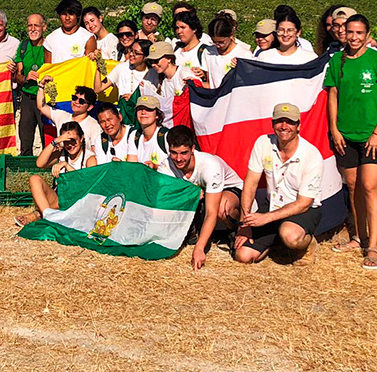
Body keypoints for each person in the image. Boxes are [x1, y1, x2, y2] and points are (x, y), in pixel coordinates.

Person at [324, 13, 377, 268]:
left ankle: (373, 246)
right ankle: (358, 236)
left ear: (367, 35)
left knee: (370, 187)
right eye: (350, 32)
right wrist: (334, 129)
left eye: (359, 33)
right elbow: (333, 95)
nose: (354, 37)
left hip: (372, 135)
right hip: (346, 134)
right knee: (353, 186)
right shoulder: (337, 61)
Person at [234, 103, 323, 265]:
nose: (284, 126)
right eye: (279, 121)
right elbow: (250, 184)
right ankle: (274, 241)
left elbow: (304, 204)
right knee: (243, 256)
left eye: (290, 122)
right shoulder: (263, 143)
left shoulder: (312, 155)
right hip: (273, 206)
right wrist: (244, 224)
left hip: (303, 210)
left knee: (290, 236)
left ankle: (307, 243)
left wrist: (265, 218)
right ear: (272, 124)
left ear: (298, 126)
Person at [164, 125, 242, 269]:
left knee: (221, 208)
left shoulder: (210, 165)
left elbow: (212, 212)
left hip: (230, 193)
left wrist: (199, 249)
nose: (179, 158)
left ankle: (234, 230)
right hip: (203, 198)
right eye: (174, 153)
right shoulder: (167, 165)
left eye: (184, 153)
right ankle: (193, 229)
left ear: (193, 149)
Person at [15, 123, 94, 227]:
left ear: (81, 138)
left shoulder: (90, 158)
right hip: (59, 199)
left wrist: (67, 166)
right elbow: (40, 163)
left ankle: (39, 214)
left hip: (78, 201)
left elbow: (88, 184)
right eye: (66, 142)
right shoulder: (61, 154)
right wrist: (55, 141)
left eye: (73, 140)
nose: (70, 145)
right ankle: (48, 217)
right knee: (34, 179)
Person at [35, 77, 101, 151]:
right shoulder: (62, 116)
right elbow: (41, 106)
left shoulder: (94, 125)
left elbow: (96, 150)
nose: (76, 102)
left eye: (81, 101)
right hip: (62, 160)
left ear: (89, 107)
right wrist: (41, 86)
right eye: (74, 98)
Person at [14, 14, 47, 156]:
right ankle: (24, 170)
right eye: (29, 25)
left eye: (36, 25)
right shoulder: (23, 46)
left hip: (45, 98)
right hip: (27, 96)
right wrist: (25, 78)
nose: (32, 29)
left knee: (47, 135)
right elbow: (17, 76)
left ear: (44, 28)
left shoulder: (49, 47)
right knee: (25, 136)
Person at [200, 14, 253, 88]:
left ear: (231, 35)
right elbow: (210, 83)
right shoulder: (208, 52)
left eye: (221, 42)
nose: (218, 45)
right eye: (214, 42)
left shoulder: (244, 54)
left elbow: (249, 81)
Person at [43, 0, 96, 64]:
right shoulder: (50, 39)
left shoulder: (88, 38)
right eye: (64, 14)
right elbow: (48, 67)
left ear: (77, 16)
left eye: (71, 14)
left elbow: (90, 66)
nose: (67, 18)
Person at [147, 41, 183, 130]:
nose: (153, 65)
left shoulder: (184, 74)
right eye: (151, 61)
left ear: (169, 59)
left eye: (156, 60)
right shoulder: (160, 78)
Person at [132, 95, 169, 170]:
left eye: (148, 109)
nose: (143, 112)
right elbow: (131, 167)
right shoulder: (134, 135)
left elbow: (177, 165)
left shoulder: (165, 136)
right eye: (140, 109)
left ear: (157, 115)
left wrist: (155, 167)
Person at [172, 9, 207, 86]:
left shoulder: (204, 51)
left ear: (194, 28)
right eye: (177, 28)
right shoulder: (175, 48)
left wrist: (204, 75)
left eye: (183, 27)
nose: (179, 31)